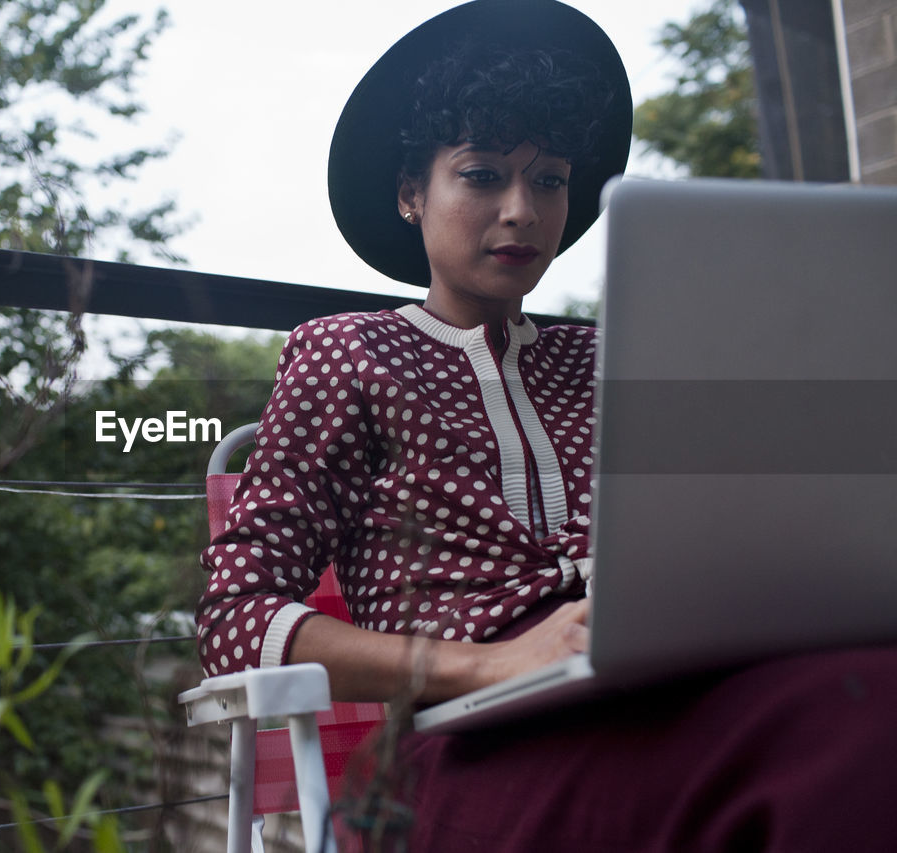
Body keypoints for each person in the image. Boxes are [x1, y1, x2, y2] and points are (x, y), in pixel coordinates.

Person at [196, 1, 897, 849]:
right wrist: (491, 661)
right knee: (851, 745)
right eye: (485, 175)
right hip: (461, 738)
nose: (524, 210)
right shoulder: (347, 354)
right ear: (413, 193)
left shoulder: (609, 354)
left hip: (659, 686)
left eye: (550, 179)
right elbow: (235, 619)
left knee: (865, 693)